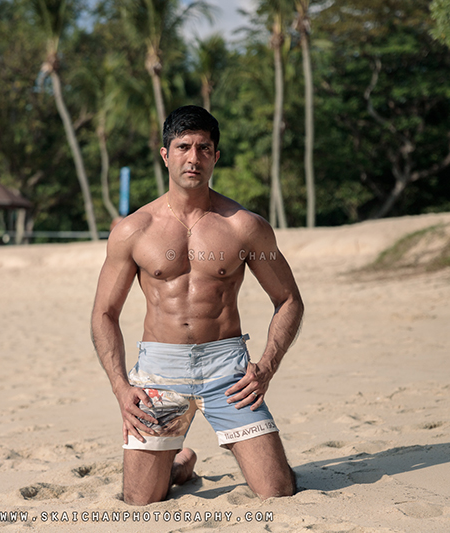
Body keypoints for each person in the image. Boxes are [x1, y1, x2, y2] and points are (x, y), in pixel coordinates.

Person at [90, 105, 304, 505]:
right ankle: (179, 465)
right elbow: (104, 313)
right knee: (140, 500)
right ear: (165, 154)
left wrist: (266, 366)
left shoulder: (245, 226)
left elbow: (289, 299)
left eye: (204, 148)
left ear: (216, 156)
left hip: (228, 370)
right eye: (183, 147)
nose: (194, 158)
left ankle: (208, 456)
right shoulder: (133, 230)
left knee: (277, 490)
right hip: (159, 371)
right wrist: (121, 387)